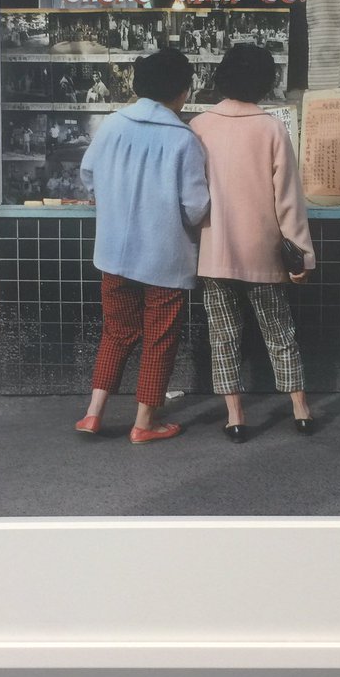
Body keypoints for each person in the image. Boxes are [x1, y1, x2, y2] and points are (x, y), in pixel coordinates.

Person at [76, 49, 209, 444]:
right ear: (183, 91)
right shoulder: (184, 139)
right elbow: (196, 206)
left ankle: (93, 412)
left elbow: (88, 174)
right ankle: (145, 423)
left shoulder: (113, 125)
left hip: (113, 253)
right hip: (164, 257)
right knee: (159, 338)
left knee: (117, 331)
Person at [190, 44, 315, 443]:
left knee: (223, 336)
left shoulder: (199, 126)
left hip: (214, 251)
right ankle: (300, 408)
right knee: (279, 331)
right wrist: (302, 255)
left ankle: (235, 416)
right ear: (264, 81)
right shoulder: (272, 128)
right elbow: (288, 200)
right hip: (263, 251)